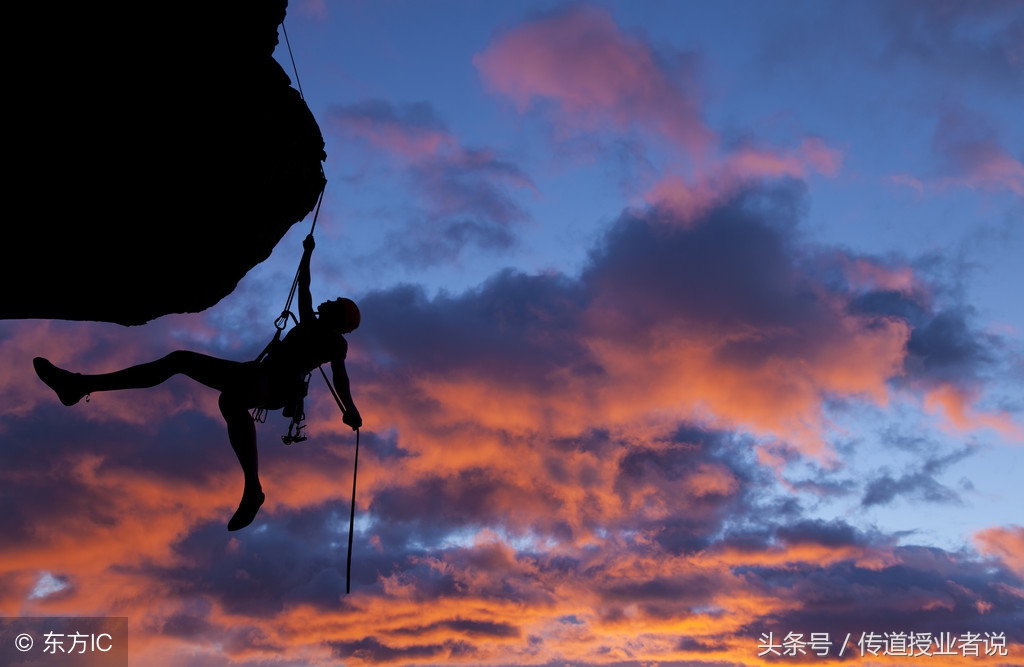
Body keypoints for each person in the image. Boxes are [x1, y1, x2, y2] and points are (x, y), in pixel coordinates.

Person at [33, 234, 361, 531]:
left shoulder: (334, 342)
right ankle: (79, 385)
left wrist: (350, 409)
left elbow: (340, 378)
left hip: (276, 385)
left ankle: (253, 489)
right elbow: (304, 287)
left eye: (335, 304)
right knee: (181, 361)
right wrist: (307, 253)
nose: (328, 302)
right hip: (258, 375)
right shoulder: (309, 323)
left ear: (340, 318)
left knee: (229, 400)